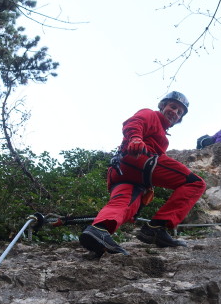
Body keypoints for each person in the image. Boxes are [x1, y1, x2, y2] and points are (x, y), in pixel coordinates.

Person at [79, 91, 207, 256]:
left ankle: (99, 230)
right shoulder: (150, 115)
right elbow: (135, 122)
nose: (175, 112)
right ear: (162, 106)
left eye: (179, 112)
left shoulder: (161, 133)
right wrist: (135, 139)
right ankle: (156, 228)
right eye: (173, 107)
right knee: (195, 183)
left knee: (125, 203)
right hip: (139, 158)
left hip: (122, 171)